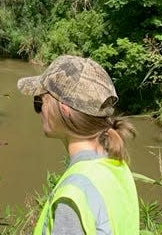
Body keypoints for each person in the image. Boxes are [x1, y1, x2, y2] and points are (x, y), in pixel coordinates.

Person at [17, 55, 139, 235]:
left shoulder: (73, 195)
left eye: (40, 102)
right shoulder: (117, 167)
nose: (39, 110)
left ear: (64, 111)